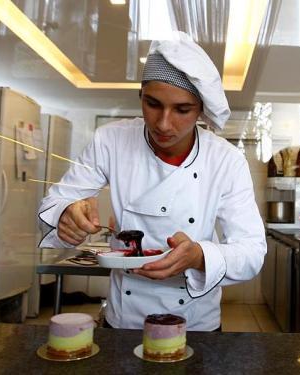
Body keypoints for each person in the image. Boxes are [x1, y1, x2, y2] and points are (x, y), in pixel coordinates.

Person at [38, 32, 266, 331]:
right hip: (124, 319)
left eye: (182, 110)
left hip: (195, 323)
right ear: (140, 97)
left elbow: (251, 251)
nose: (163, 123)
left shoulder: (225, 160)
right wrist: (65, 214)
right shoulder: (111, 140)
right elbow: (52, 205)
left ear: (201, 111)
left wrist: (199, 256)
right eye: (153, 104)